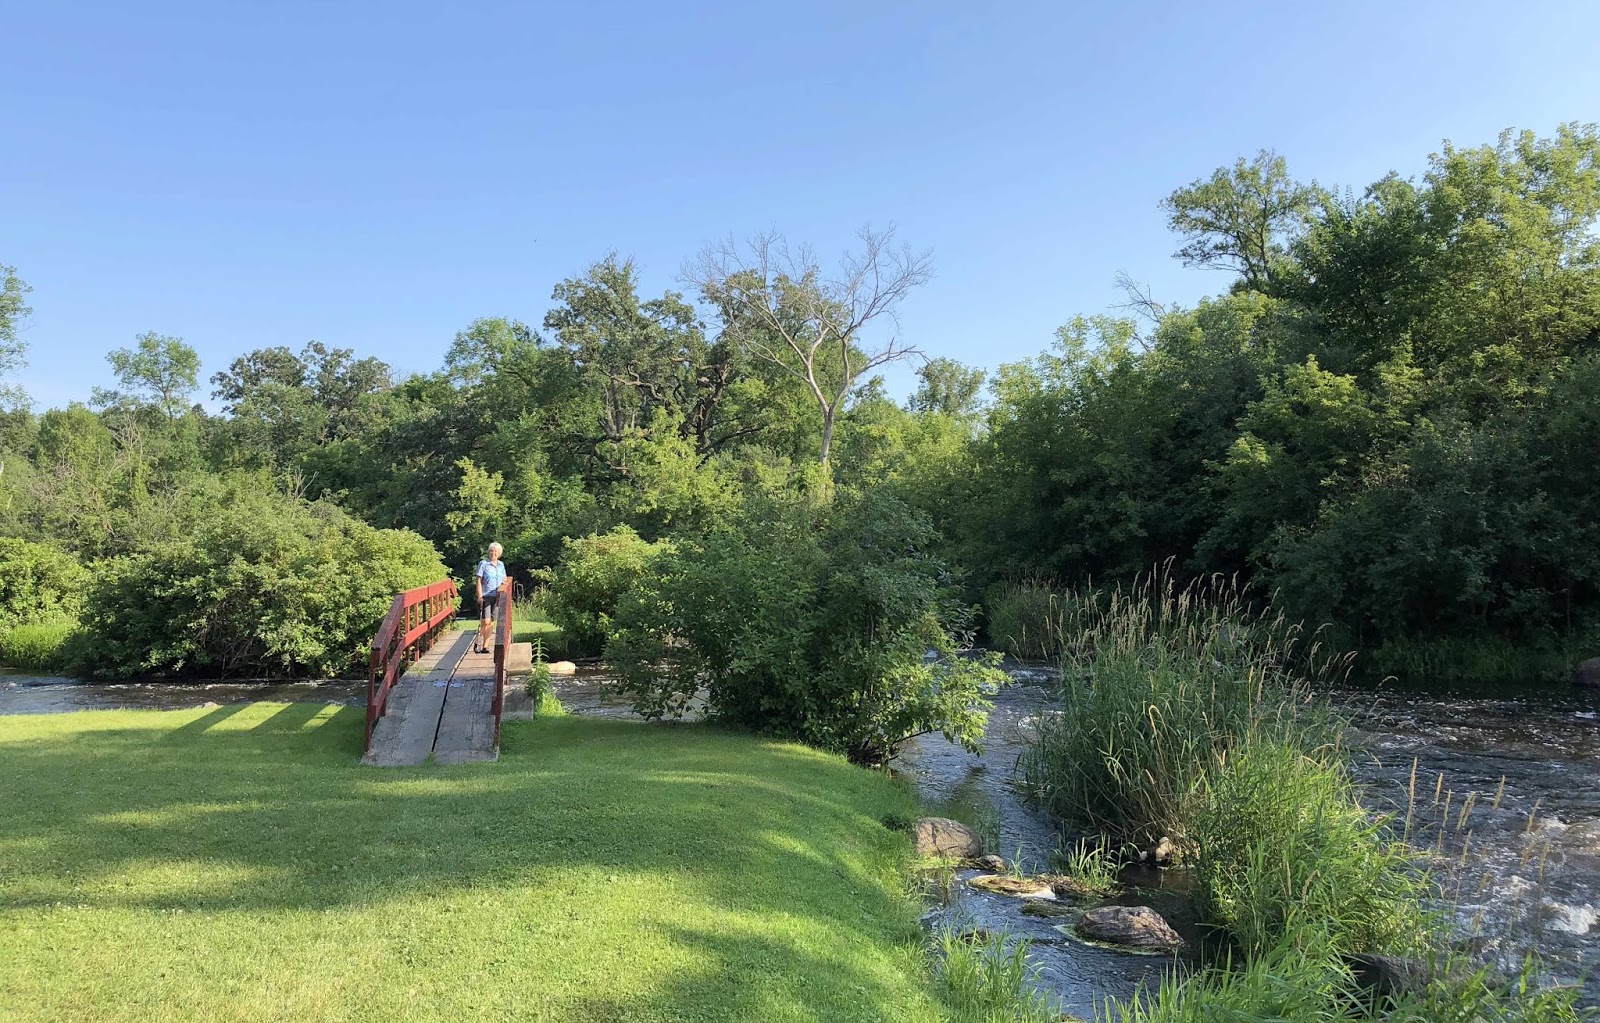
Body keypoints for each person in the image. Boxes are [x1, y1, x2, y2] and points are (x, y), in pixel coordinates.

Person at [474, 542, 508, 654]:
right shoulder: (483, 564)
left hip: (497, 596)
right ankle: (477, 640)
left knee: (492, 621)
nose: (493, 553)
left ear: (499, 553)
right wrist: (479, 596)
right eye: (491, 551)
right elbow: (478, 580)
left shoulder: (501, 565)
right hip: (486, 596)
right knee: (486, 620)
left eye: (495, 551)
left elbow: (505, 578)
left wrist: (504, 582)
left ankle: (485, 646)